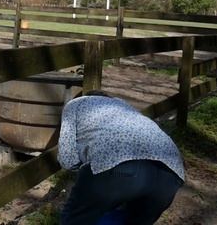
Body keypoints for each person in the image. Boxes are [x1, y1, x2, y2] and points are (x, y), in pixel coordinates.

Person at [58, 90, 185, 225]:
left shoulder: (75, 104)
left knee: (75, 218)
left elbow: (67, 159)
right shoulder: (123, 105)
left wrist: (84, 174)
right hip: (171, 174)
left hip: (116, 162)